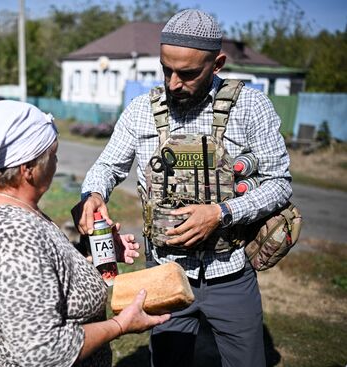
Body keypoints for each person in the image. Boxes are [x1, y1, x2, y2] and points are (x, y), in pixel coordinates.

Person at [74, 9, 292, 367]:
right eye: (166, 69)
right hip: (163, 273)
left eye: (188, 73)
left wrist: (221, 213)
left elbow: (279, 184)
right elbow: (107, 166)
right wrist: (93, 194)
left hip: (231, 272)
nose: (173, 83)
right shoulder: (141, 111)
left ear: (217, 63)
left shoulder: (252, 107)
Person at [0, 100, 170, 367]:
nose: (56, 162)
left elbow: (45, 275)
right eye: (53, 155)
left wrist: (98, 256)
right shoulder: (13, 238)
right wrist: (120, 324)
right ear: (28, 170)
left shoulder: (8, 208)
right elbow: (45, 352)